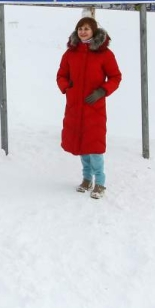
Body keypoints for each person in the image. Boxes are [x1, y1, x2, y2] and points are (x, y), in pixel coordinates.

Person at [56, 16, 122, 199]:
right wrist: (67, 89)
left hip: (95, 107)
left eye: (86, 28)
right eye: (80, 29)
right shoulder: (70, 53)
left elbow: (116, 77)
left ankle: (100, 182)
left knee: (95, 146)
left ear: (94, 31)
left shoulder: (105, 54)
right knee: (81, 145)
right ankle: (86, 179)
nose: (83, 32)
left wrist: (103, 91)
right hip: (75, 106)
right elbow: (61, 75)